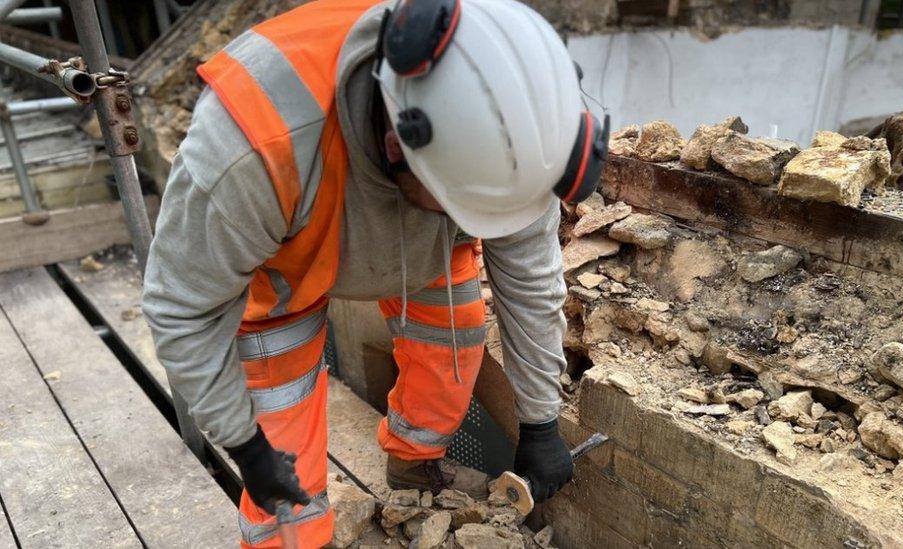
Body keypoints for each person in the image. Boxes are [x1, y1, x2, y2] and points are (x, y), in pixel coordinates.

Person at [142, 0, 609, 546]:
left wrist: (541, 420)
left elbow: (529, 280)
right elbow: (181, 310)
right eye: (457, 205)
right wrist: (243, 444)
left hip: (419, 250)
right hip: (287, 267)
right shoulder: (251, 148)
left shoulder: (520, 127)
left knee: (451, 346)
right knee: (281, 455)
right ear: (395, 146)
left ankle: (414, 469)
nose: (481, 224)